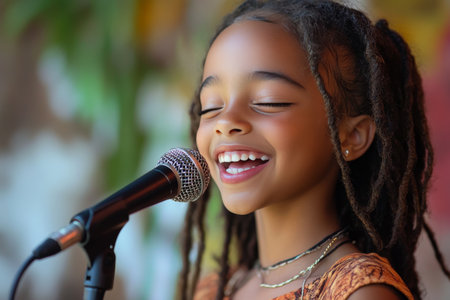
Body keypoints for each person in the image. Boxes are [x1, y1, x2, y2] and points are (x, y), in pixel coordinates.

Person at [177, 0, 450, 299]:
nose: (226, 122)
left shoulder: (359, 293)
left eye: (268, 101)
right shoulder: (214, 289)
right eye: (211, 106)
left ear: (352, 136)